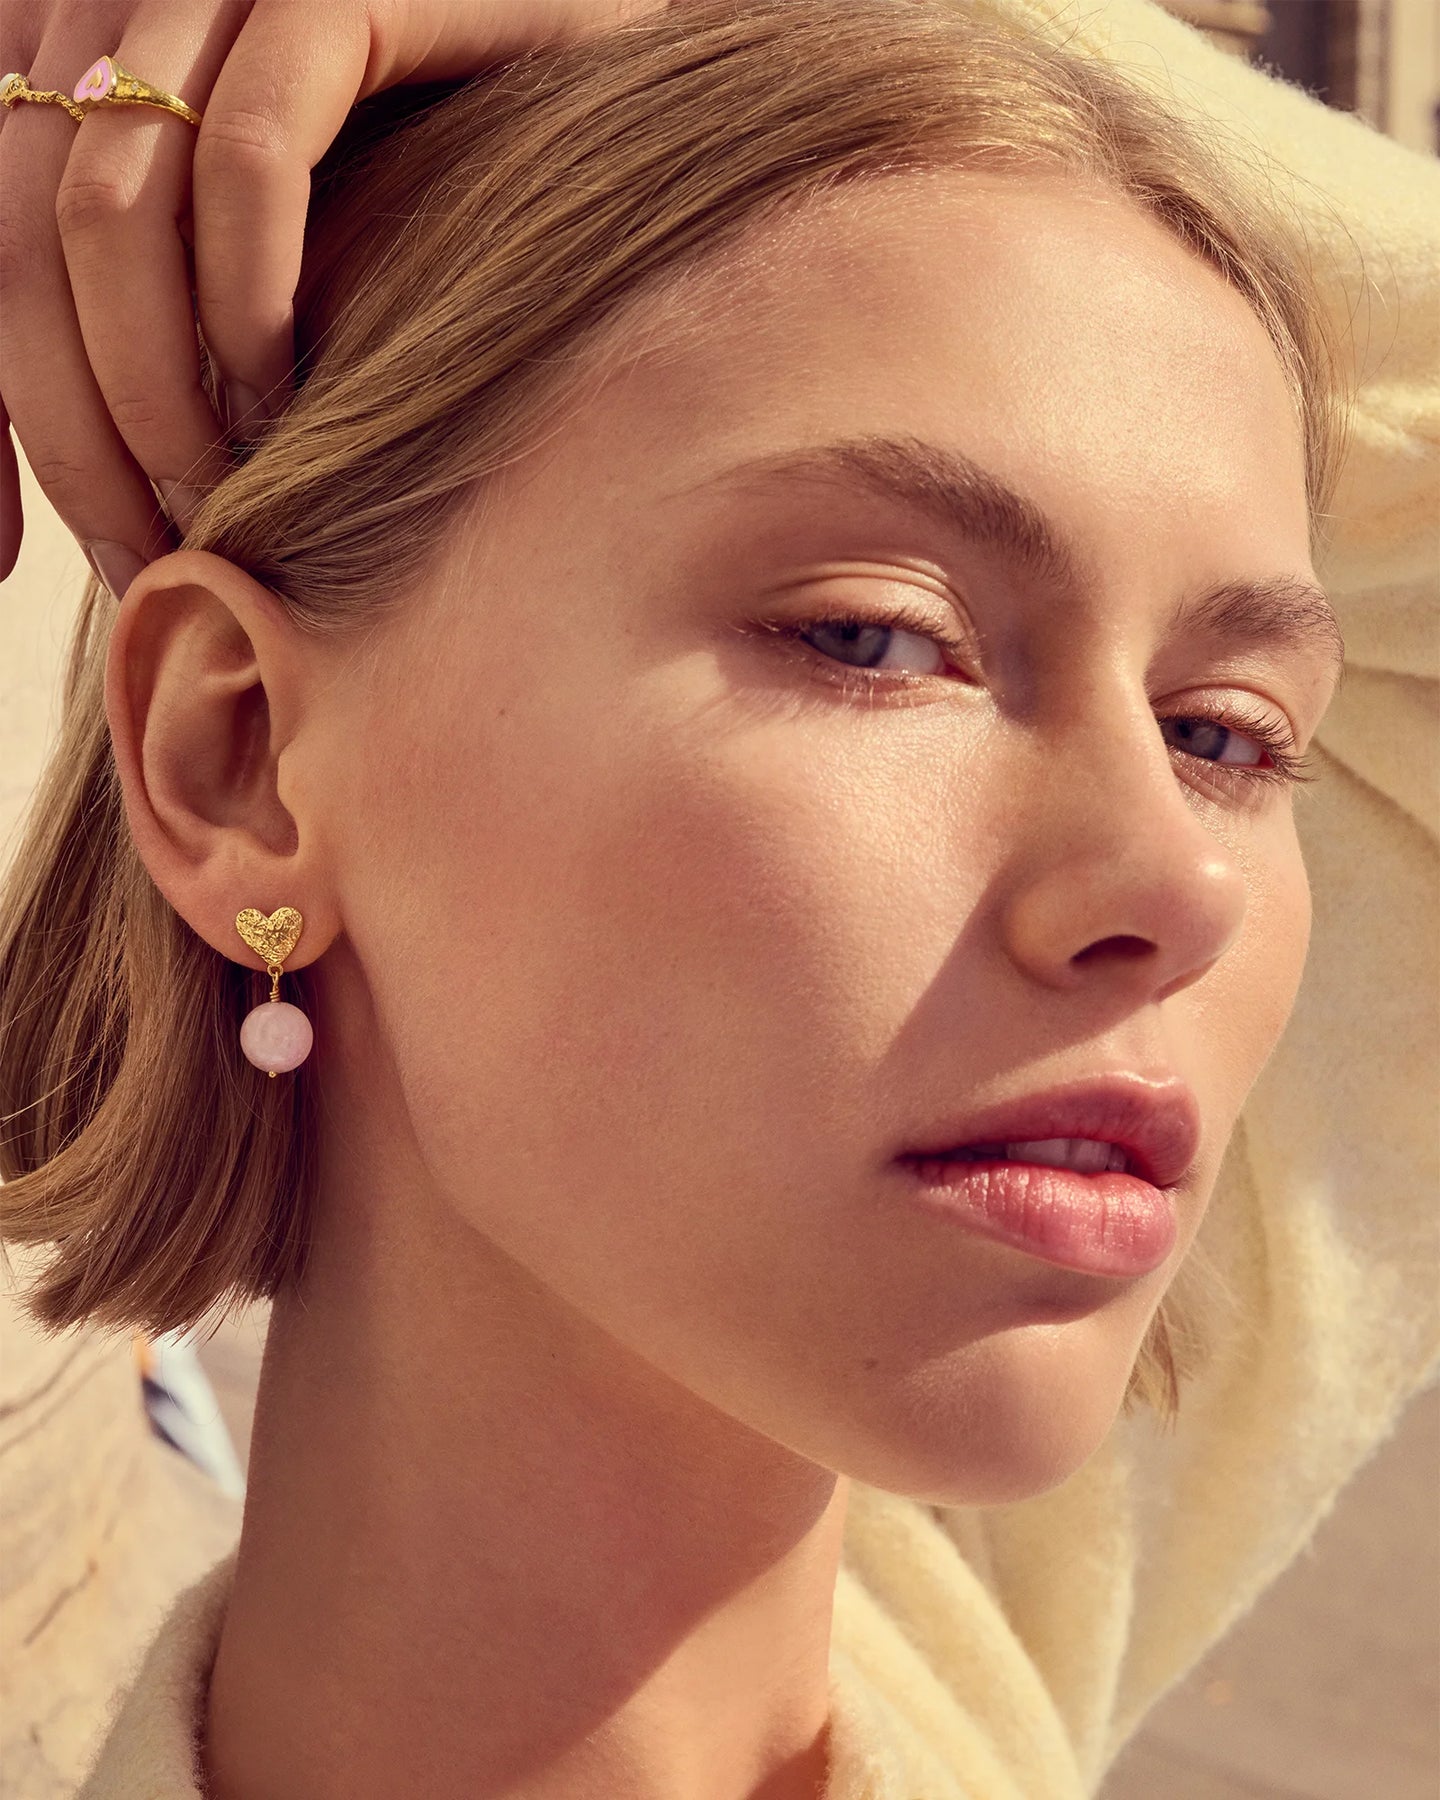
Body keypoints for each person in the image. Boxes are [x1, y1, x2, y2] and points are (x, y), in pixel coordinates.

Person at [1, 1, 1435, 1796]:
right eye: (876, 639)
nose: (1176, 880)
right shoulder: (977, 1635)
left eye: (1226, 735)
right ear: (239, 761)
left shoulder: (952, 1636)